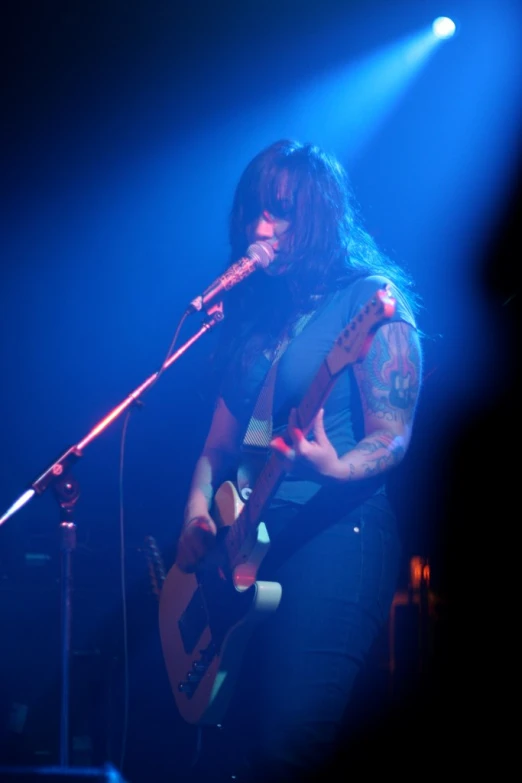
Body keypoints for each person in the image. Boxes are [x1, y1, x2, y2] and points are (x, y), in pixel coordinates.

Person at [174, 138, 423, 782]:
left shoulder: (370, 301)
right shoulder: (255, 320)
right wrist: (198, 513)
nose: (261, 228)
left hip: (336, 533)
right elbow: (217, 448)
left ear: (319, 215)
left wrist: (335, 466)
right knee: (227, 754)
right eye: (254, 212)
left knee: (289, 747)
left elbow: (393, 435)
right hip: (251, 543)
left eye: (280, 211)